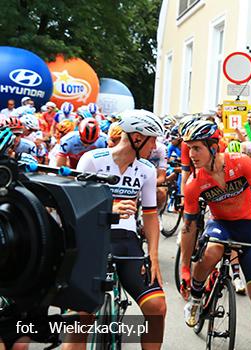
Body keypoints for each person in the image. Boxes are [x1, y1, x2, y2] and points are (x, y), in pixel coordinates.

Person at [69, 110, 167, 350]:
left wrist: (152, 255)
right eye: (152, 138)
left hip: (127, 241)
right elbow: (74, 204)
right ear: (136, 137)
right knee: (80, 318)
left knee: (157, 308)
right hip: (92, 239)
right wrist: (110, 206)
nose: (154, 146)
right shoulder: (93, 159)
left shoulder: (146, 170)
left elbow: (151, 215)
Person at [182, 120, 251, 331]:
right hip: (220, 225)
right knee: (213, 250)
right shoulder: (194, 184)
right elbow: (189, 226)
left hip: (248, 226)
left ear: (213, 147)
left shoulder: (241, 162)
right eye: (189, 149)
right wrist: (185, 267)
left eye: (197, 148)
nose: (191, 154)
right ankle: (196, 299)